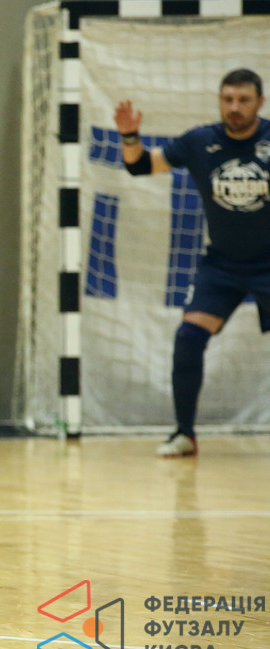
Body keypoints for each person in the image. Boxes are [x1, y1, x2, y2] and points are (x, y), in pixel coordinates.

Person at [115, 68, 270, 458]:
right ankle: (184, 434)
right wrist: (130, 136)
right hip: (223, 265)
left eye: (243, 100)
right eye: (227, 99)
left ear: (260, 103)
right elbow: (140, 165)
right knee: (188, 339)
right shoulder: (200, 141)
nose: (234, 107)